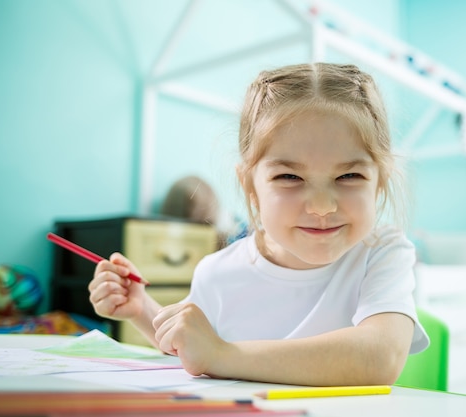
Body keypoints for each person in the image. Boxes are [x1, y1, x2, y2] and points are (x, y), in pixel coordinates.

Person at [88, 62, 429, 386]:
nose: (323, 206)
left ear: (379, 181)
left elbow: (379, 358)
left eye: (349, 175)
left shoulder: (381, 253)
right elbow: (194, 348)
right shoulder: (216, 271)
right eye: (290, 177)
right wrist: (142, 309)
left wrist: (222, 354)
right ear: (250, 185)